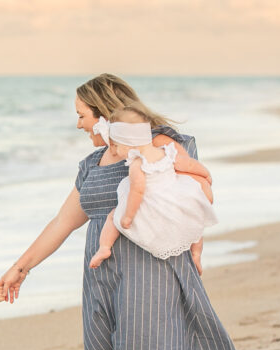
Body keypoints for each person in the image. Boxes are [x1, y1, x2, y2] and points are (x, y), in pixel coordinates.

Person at [0, 74, 264, 350]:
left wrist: (197, 248)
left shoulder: (159, 146)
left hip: (150, 269)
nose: (79, 125)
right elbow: (63, 222)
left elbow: (196, 195)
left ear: (104, 114)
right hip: (101, 274)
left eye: (82, 116)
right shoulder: (92, 163)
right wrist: (20, 268)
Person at [89, 103, 217, 269]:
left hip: (150, 204)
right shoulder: (166, 152)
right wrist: (206, 174)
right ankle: (196, 254)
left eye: (116, 146)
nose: (114, 152)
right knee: (193, 219)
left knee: (113, 217)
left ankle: (104, 248)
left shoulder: (137, 163)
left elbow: (138, 190)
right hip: (173, 197)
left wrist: (128, 216)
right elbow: (189, 164)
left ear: (128, 144)